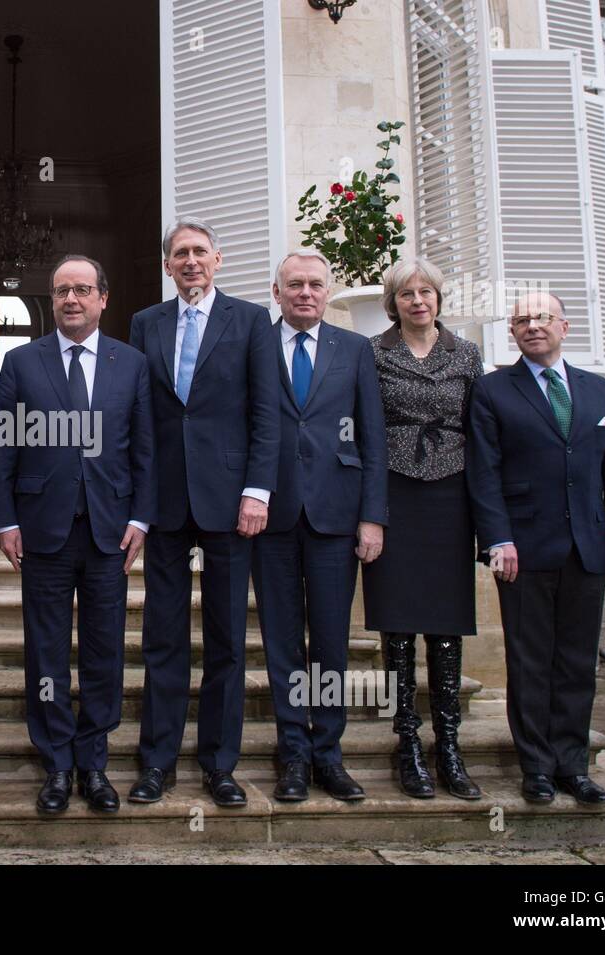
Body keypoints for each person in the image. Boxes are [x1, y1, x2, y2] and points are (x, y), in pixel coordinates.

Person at [0, 255, 156, 814]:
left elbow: (146, 449)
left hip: (110, 532)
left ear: (104, 298)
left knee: (105, 651)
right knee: (47, 652)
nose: (72, 300)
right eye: (62, 291)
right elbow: (0, 445)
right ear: (51, 300)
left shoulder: (131, 364)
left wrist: (140, 517)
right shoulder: (20, 361)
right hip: (42, 531)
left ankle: (94, 762)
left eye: (83, 290)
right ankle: (56, 761)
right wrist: (5, 518)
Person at [467, 290, 605, 805]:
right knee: (529, 660)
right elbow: (484, 473)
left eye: (542, 317)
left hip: (586, 547)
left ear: (564, 326)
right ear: (513, 333)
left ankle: (574, 765)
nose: (532, 326)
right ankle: (537, 768)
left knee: (575, 661)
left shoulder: (598, 391)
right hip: (522, 548)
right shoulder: (494, 390)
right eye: (521, 320)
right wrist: (498, 538)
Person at [128, 216, 280, 808]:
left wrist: (257, 492)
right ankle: (156, 763)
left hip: (230, 503)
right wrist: (136, 504)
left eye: (200, 252)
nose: (190, 261)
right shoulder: (146, 323)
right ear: (168, 265)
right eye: (180, 254)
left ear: (218, 260)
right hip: (164, 503)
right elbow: (138, 419)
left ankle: (220, 765)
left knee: (226, 642)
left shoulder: (251, 322)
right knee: (162, 640)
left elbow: (265, 413)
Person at [253, 249, 388, 804]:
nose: (305, 293)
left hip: (337, 517)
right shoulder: (254, 345)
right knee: (282, 643)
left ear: (327, 292)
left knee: (330, 643)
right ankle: (292, 754)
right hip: (272, 516)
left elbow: (374, 440)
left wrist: (372, 517)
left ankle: (329, 755)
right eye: (294, 285)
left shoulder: (355, 350)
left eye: (314, 284)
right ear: (277, 291)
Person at [361, 257, 484, 800]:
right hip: (394, 493)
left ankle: (449, 744)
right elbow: (363, 431)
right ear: (393, 302)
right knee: (398, 623)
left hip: (450, 494)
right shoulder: (372, 354)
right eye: (406, 293)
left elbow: (483, 432)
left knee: (445, 622)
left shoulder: (467, 354)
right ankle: (407, 741)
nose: (417, 301)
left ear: (438, 298)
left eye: (425, 292)